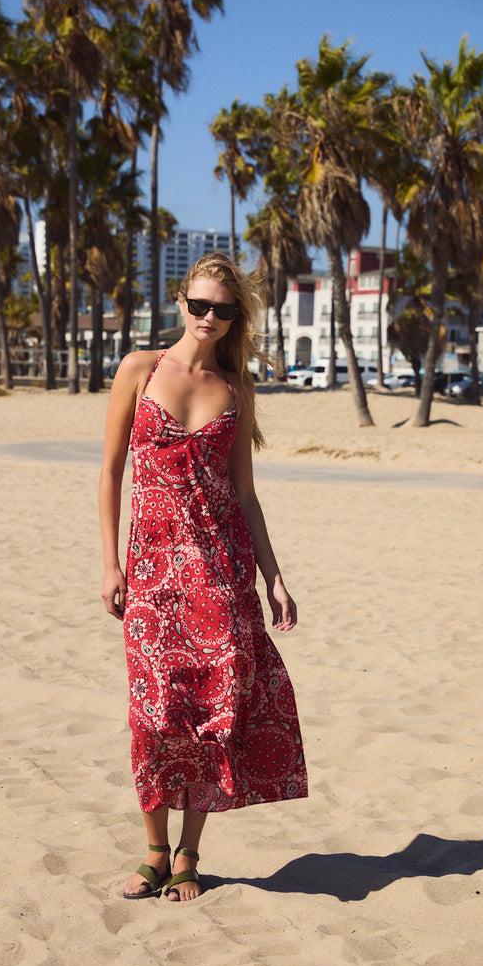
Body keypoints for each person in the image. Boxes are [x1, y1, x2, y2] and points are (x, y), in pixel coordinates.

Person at [98, 252, 308, 903]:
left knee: (214, 719)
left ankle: (189, 853)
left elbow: (245, 495)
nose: (209, 318)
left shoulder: (235, 392)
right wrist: (110, 563)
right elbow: (110, 473)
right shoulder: (139, 369)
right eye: (200, 306)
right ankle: (154, 850)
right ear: (180, 301)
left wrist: (274, 577)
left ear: (233, 316)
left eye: (223, 309)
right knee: (155, 716)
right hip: (155, 575)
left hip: (221, 573)